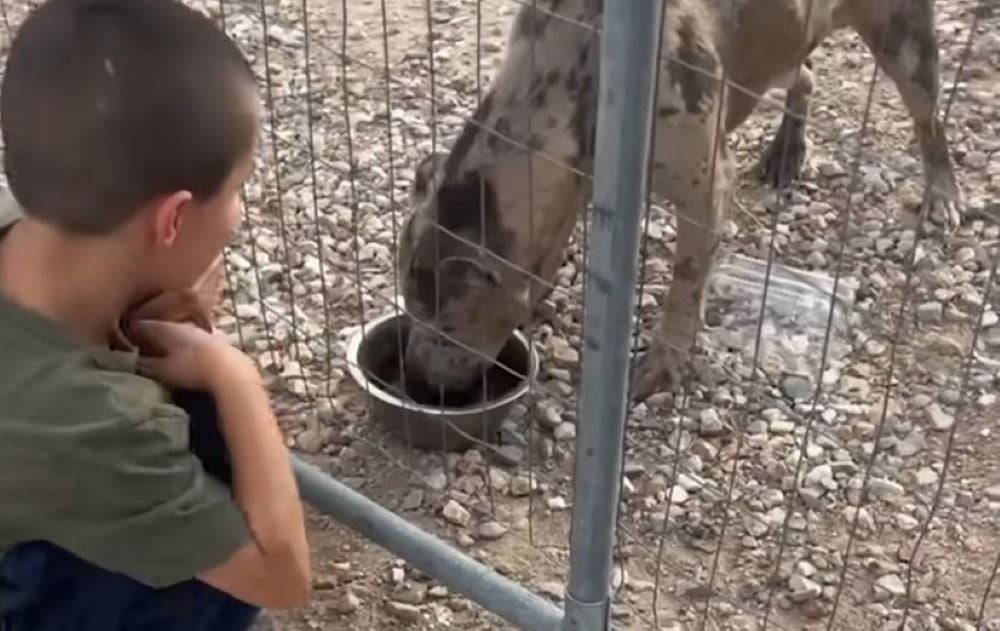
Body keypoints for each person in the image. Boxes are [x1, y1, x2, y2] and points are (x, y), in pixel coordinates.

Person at [0, 0, 312, 628]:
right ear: (172, 219)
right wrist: (234, 376)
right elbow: (282, 575)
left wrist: (134, 303)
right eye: (237, 190)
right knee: (213, 436)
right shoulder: (94, 426)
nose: (238, 213)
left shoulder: (20, 221)